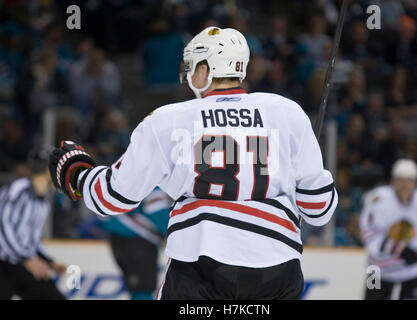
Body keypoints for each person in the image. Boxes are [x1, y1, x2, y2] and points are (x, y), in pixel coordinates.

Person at [48, 26, 338, 300]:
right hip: (278, 269)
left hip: (201, 267)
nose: (188, 76)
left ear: (205, 69)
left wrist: (77, 175)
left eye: (191, 68)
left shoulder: (168, 120)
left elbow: (113, 198)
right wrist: (317, 181)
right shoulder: (288, 113)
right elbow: (318, 210)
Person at [360, 159, 417, 300]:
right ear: (393, 182)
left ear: (416, 183)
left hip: (413, 270)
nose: (405, 185)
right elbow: (370, 236)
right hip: (375, 269)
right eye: (400, 180)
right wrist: (400, 249)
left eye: (409, 181)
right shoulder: (377, 199)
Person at [0, 148, 66, 300]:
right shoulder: (19, 189)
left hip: (21, 263)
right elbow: (3, 226)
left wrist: (50, 262)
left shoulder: (42, 203)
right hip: (4, 264)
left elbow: (30, 240)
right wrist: (25, 258)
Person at [99, 187, 171, 300]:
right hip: (140, 242)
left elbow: (102, 212)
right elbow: (160, 215)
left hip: (117, 238)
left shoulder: (116, 175)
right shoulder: (149, 176)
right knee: (143, 290)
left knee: (136, 288)